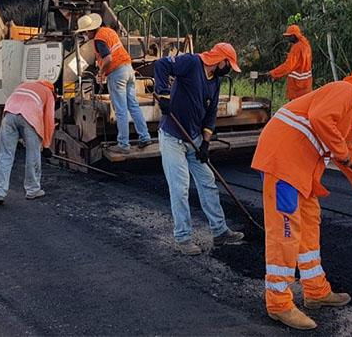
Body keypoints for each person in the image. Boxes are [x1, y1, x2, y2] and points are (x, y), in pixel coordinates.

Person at [252, 62, 352, 330]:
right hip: (282, 163)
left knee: (310, 225)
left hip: (301, 172)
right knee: (285, 232)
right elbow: (320, 119)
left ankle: (316, 290)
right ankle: (278, 302)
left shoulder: (348, 118)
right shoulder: (344, 90)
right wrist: (341, 152)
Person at [153, 43, 246, 255]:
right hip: (172, 136)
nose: (228, 68)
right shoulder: (192, 62)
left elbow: (210, 113)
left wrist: (205, 143)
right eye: (228, 64)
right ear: (219, 60)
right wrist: (164, 94)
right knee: (180, 187)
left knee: (208, 183)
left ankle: (220, 231)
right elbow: (160, 65)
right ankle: (183, 238)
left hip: (194, 138)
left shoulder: (216, 81)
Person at [76, 13, 152, 155]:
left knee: (121, 110)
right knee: (133, 105)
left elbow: (108, 58)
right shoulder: (109, 31)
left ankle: (123, 145)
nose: (85, 34)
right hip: (129, 69)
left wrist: (101, 73)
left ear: (91, 30)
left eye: (86, 31)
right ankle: (145, 136)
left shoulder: (98, 39)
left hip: (117, 73)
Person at [0, 80, 57, 206]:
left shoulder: (23, 85)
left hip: (9, 116)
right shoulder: (48, 92)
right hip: (29, 117)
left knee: (4, 155)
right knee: (33, 155)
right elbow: (49, 120)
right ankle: (32, 190)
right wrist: (46, 145)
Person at [267, 24, 313, 100]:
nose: (287, 38)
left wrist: (273, 73)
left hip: (297, 87)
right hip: (306, 86)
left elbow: (288, 66)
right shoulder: (306, 45)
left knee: (294, 109)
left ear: (295, 35)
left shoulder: (296, 48)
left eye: (289, 36)